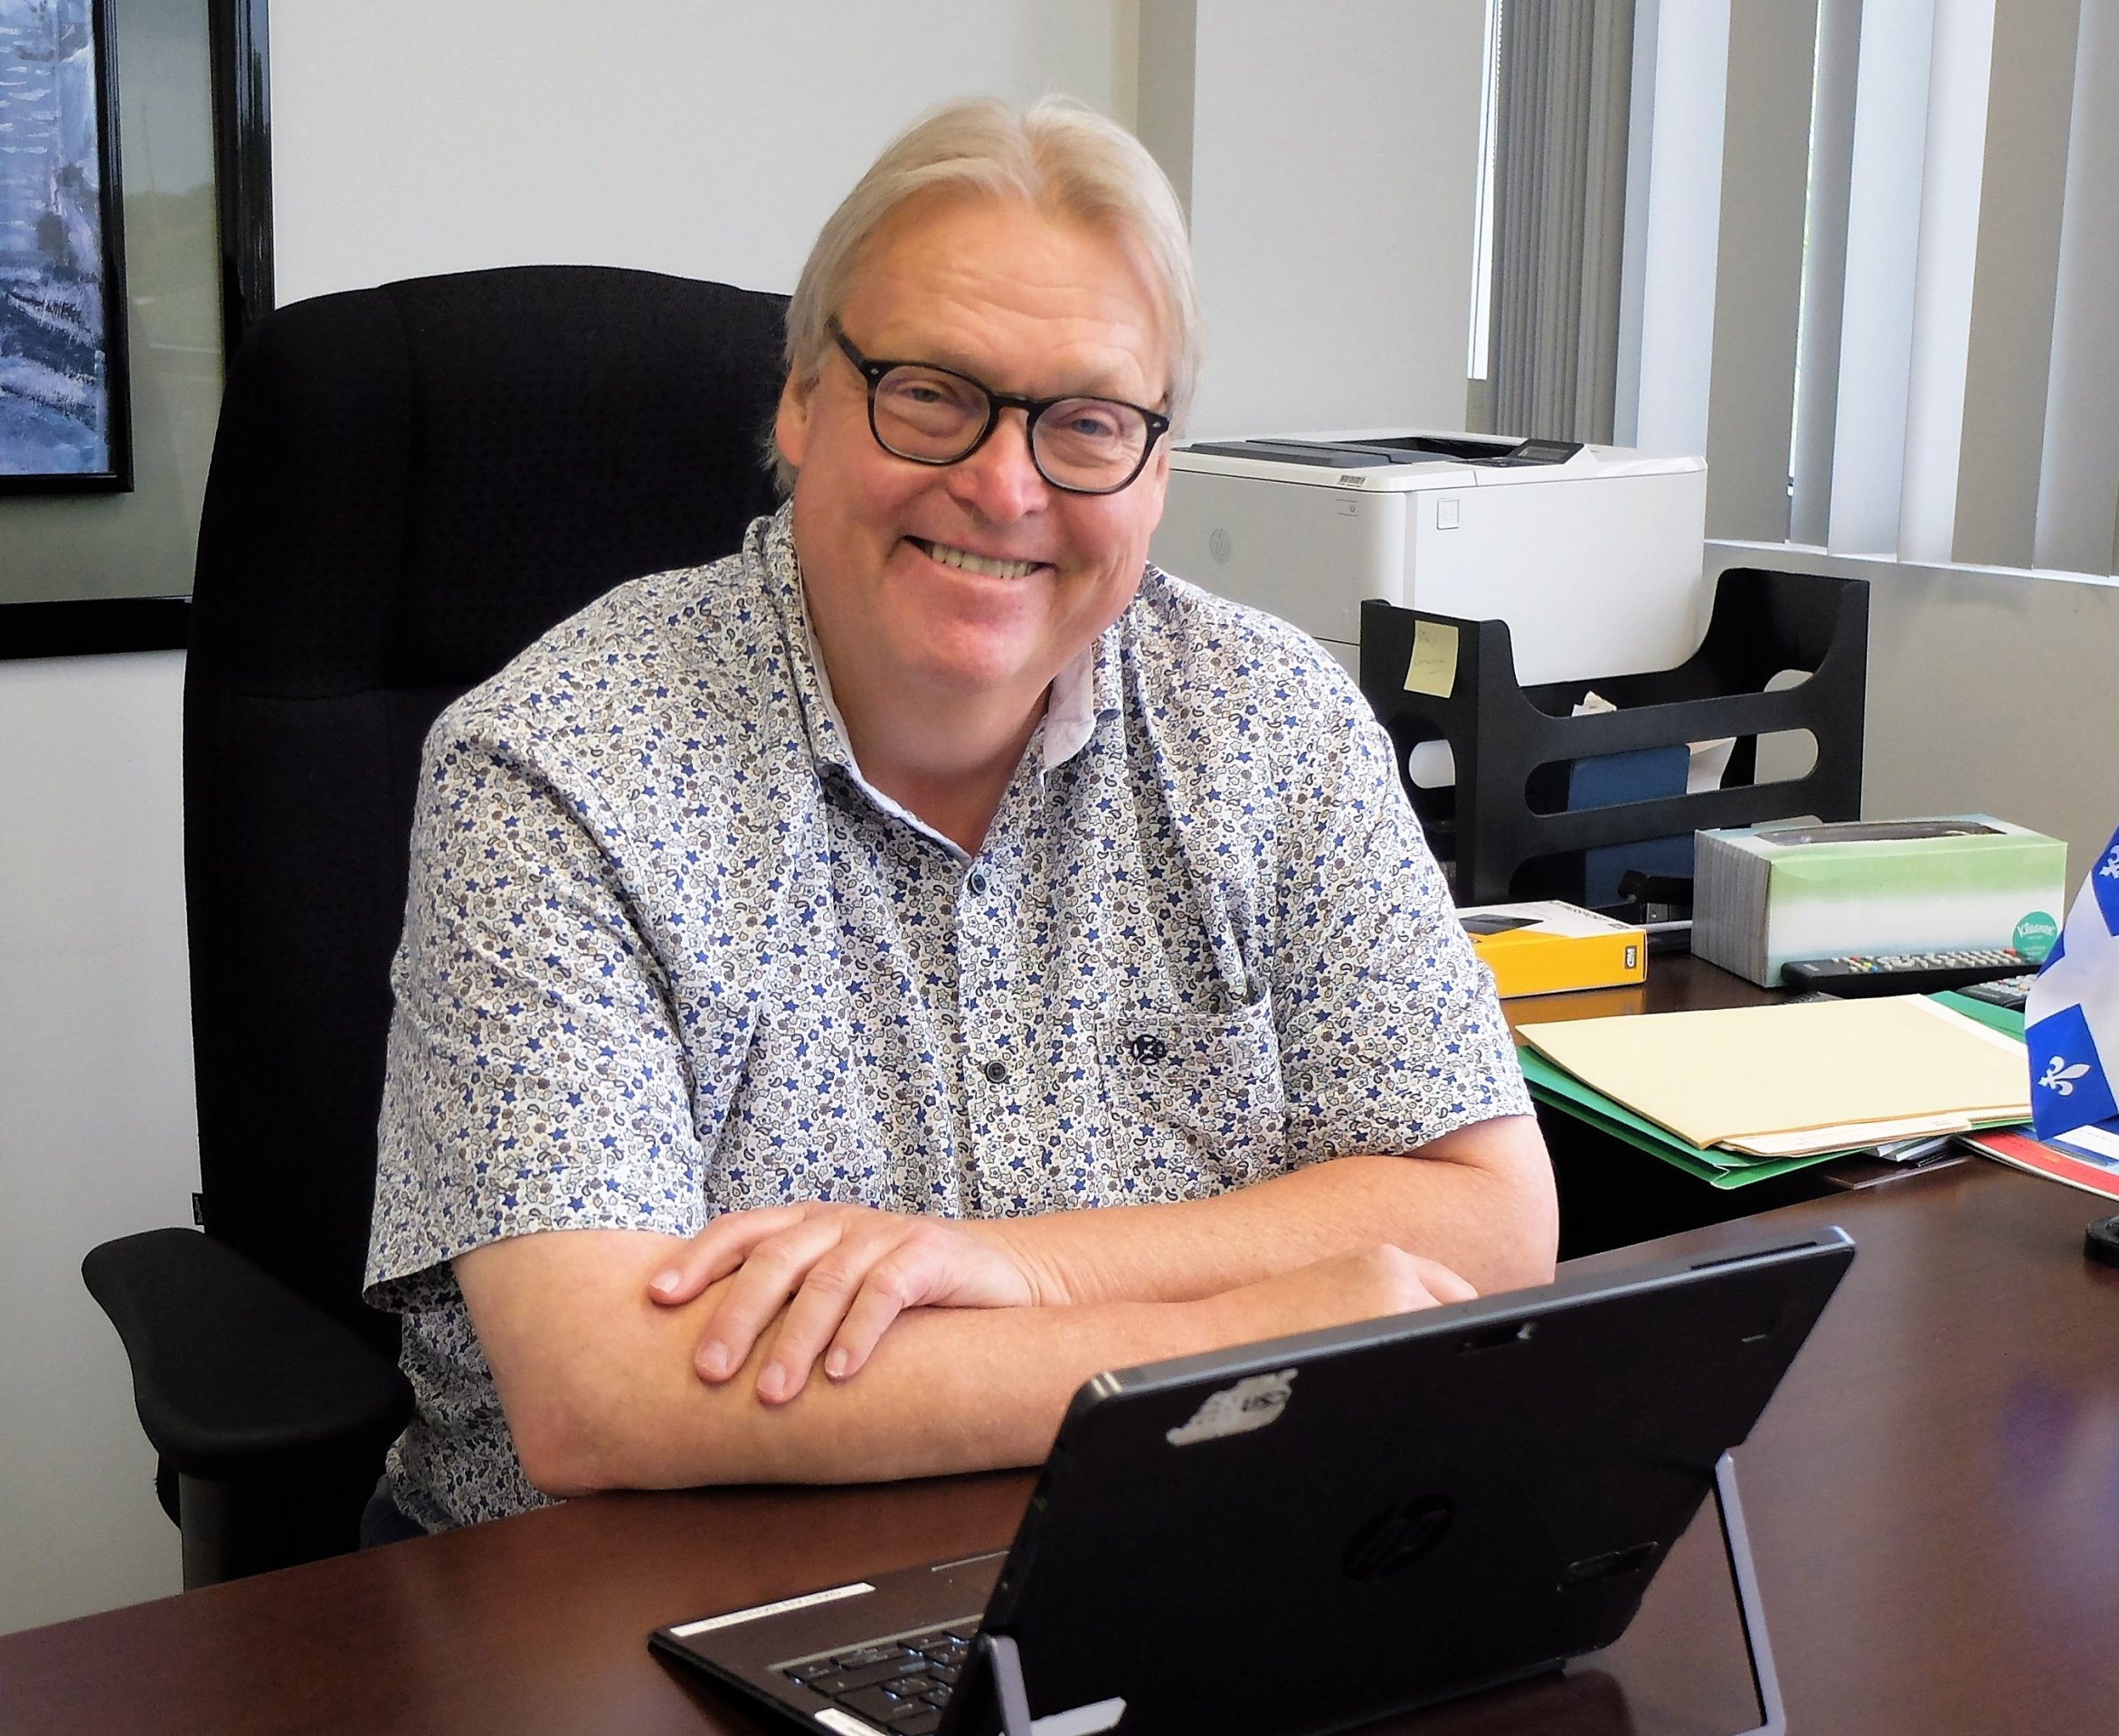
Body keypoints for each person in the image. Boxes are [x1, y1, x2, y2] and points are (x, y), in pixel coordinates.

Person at [364, 96, 1556, 1536]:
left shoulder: (1273, 724)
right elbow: (605, 1390)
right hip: (624, 1610)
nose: (1002, 485)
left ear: (1158, 467)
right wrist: (1253, 1331)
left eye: (1089, 422)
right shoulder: (555, 770)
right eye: (931, 392)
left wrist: (1030, 1271)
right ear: (803, 398)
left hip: (1154, 1557)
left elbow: (1490, 1222)